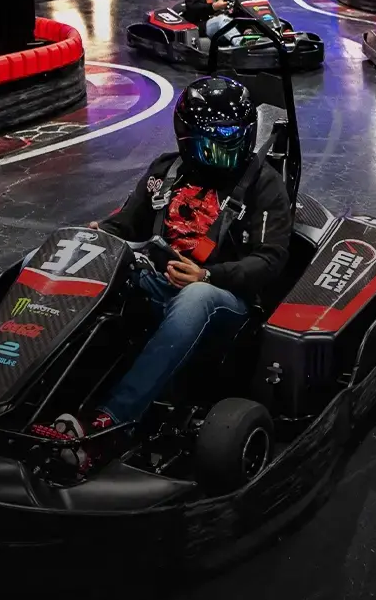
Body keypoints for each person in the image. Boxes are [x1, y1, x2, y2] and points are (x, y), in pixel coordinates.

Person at [66, 76, 292, 459]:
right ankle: (10, 380)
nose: (225, 147)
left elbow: (270, 258)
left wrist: (208, 275)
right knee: (65, 256)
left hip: (223, 299)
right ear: (187, 136)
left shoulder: (262, 185)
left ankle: (111, 424)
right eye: (215, 137)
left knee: (196, 297)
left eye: (232, 135)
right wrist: (97, 234)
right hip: (155, 280)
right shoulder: (166, 171)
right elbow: (125, 225)